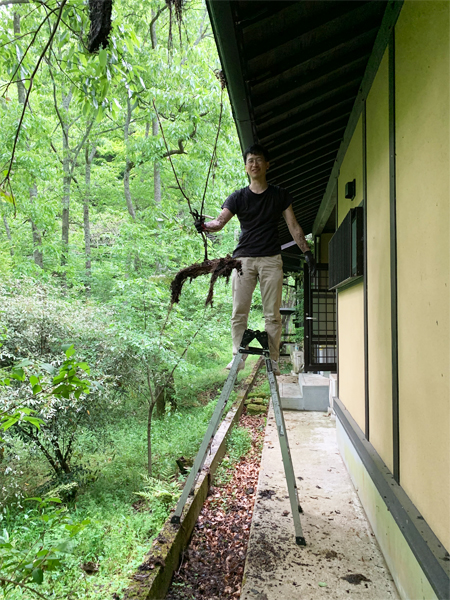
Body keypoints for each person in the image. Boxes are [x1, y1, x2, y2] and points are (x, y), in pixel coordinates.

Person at [195, 144, 316, 376]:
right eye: (250, 160)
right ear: (245, 166)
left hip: (271, 259)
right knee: (239, 311)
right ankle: (237, 357)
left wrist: (306, 251)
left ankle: (272, 360)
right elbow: (219, 222)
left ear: (267, 164)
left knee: (272, 314)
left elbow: (293, 226)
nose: (254, 164)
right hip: (243, 260)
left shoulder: (280, 195)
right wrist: (203, 225)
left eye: (259, 160)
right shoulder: (238, 197)